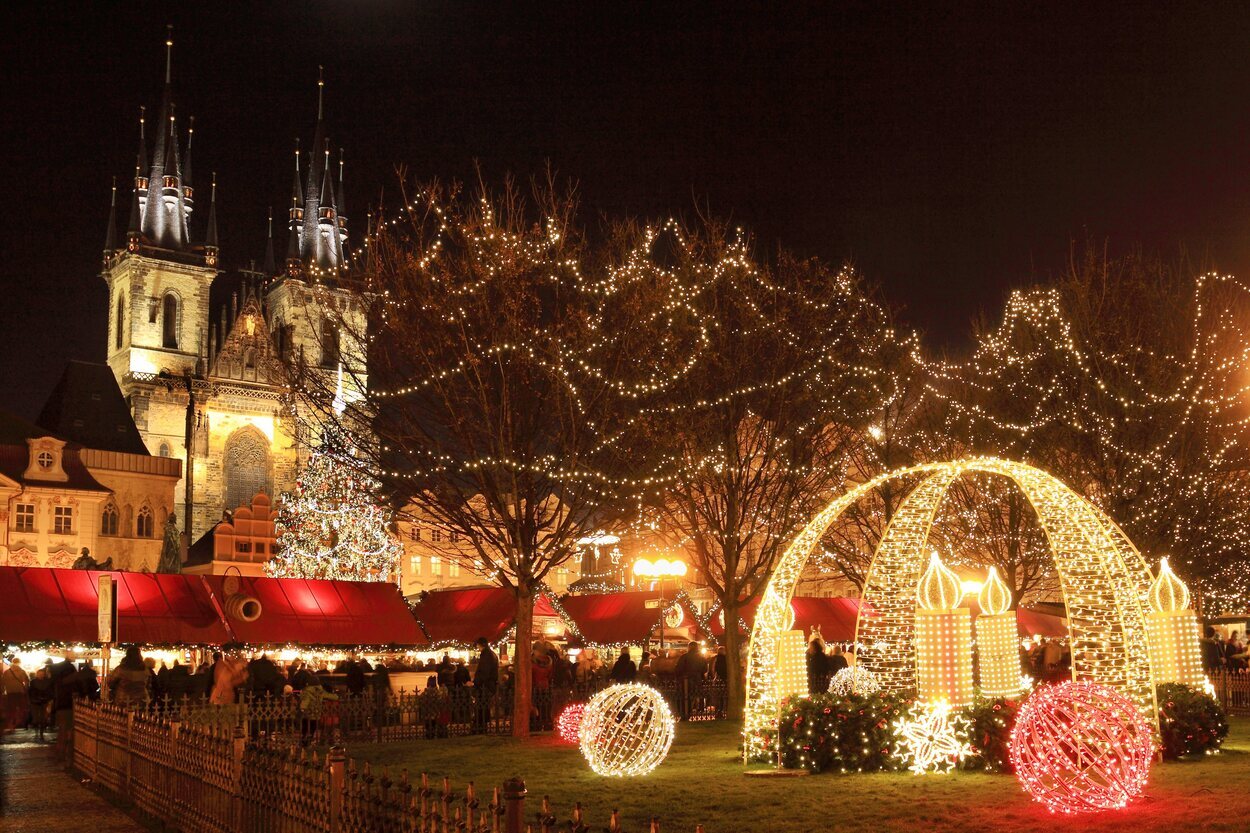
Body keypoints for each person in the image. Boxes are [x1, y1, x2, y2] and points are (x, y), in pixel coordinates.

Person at [674, 642, 706, 720]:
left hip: (686, 679)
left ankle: (685, 713)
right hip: (697, 678)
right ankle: (698, 710)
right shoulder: (701, 657)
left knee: (685, 696)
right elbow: (705, 669)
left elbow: (679, 668)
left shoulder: (684, 657)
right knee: (696, 695)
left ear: (689, 647)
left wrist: (679, 676)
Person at [472, 637, 499, 733]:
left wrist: (476, 682)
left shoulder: (486, 655)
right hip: (488, 685)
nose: (477, 648)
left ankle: (481, 727)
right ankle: (482, 726)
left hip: (485, 685)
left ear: (481, 645)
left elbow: (484, 672)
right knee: (484, 707)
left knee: (481, 708)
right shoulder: (490, 654)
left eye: (478, 645)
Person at [2, 657, 30, 734]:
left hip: (10, 693)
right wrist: (26, 690)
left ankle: (11, 725)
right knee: (22, 708)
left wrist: (3, 691)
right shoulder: (22, 671)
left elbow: (2, 683)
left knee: (11, 709)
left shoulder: (7, 672)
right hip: (20, 692)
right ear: (19, 663)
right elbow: (27, 681)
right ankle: (19, 723)